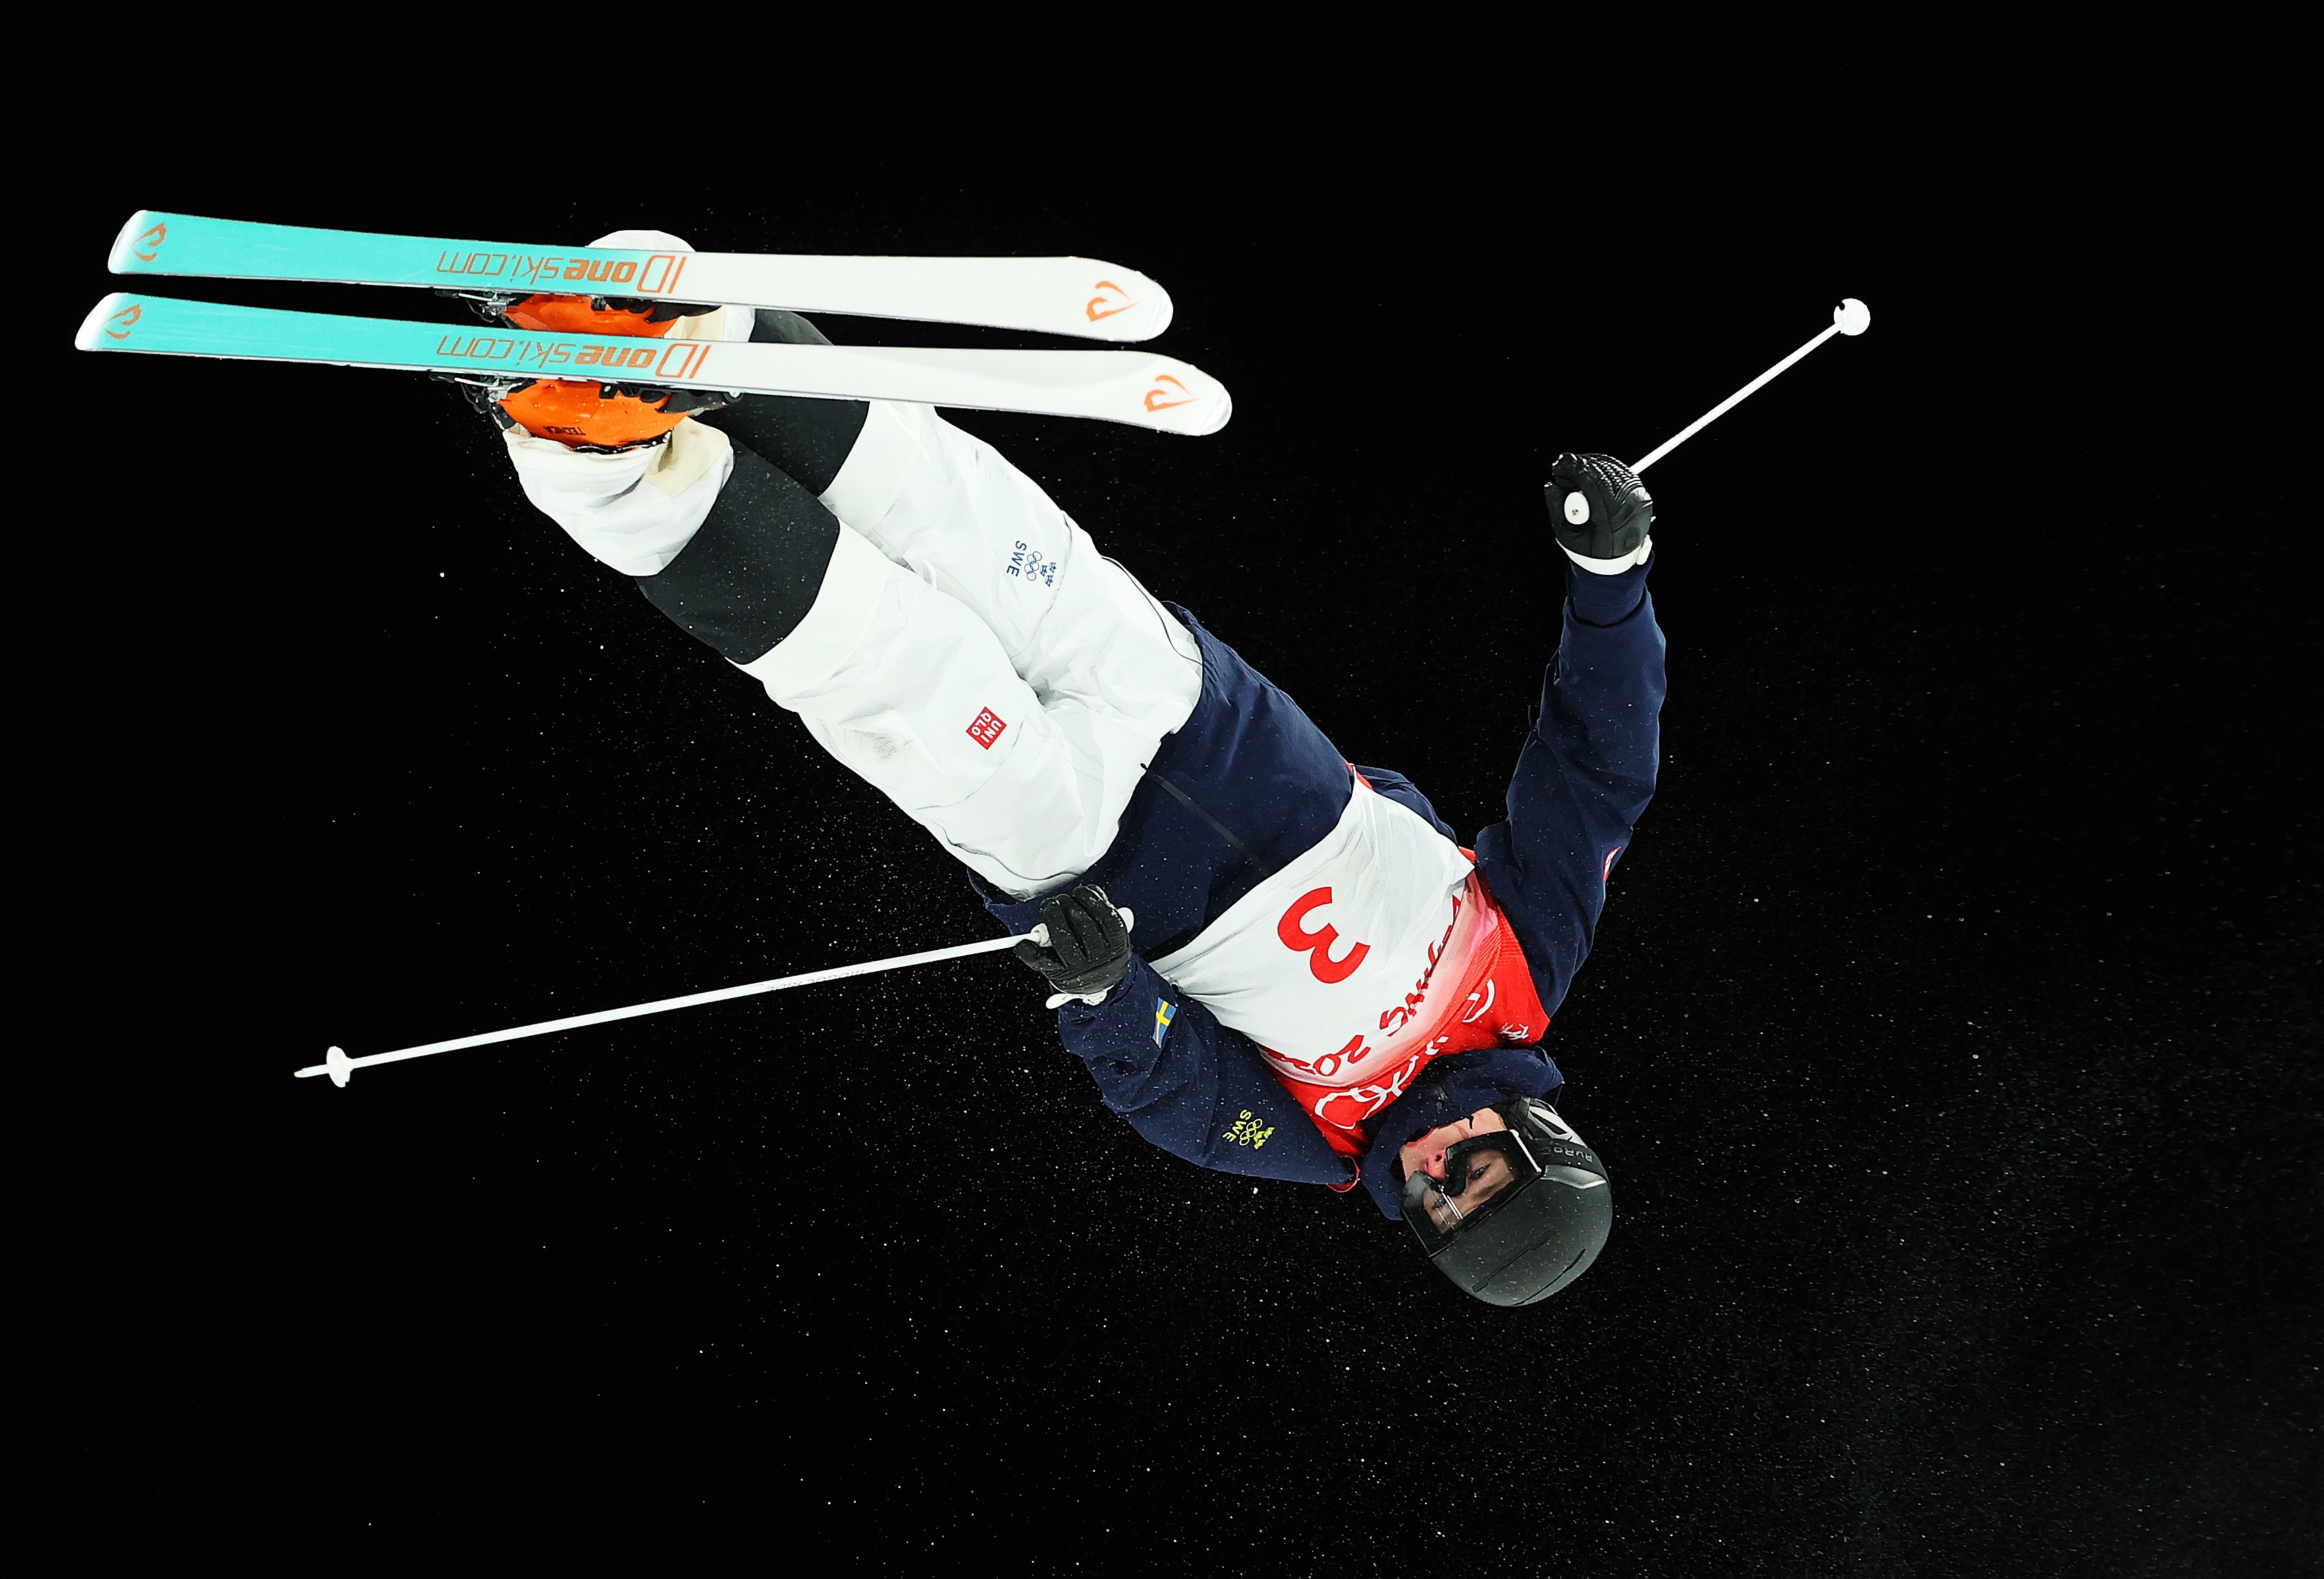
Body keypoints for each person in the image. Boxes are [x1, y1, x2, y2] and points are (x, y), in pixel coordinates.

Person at [471, 231, 1665, 1306]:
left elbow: (1170, 1092)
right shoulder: (1528, 954)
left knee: (884, 658)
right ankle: (690, 337)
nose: (1432, 1168)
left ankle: (590, 449)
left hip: (1070, 838)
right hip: (1188, 699)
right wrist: (1610, 580)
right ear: (1537, 1132)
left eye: (1435, 1207)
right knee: (957, 512)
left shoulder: (1299, 1139)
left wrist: (1104, 993)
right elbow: (1595, 770)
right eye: (1476, 1169)